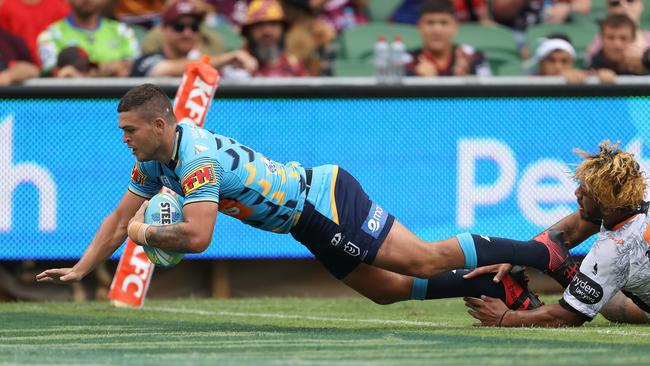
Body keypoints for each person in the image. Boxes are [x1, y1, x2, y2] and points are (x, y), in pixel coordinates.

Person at [36, 84, 577, 307]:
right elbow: (117, 215)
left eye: (129, 130)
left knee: (423, 257)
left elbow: (197, 237)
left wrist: (145, 233)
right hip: (303, 219)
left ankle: (545, 252)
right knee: (387, 291)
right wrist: (84, 268)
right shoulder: (157, 159)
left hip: (321, 199)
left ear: (158, 124)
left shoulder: (194, 159)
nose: (124, 139)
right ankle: (501, 281)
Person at [466, 141, 650, 327]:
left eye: (584, 192)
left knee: (620, 309)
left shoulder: (614, 252)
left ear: (605, 203)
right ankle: (569, 273)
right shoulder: (634, 190)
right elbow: (574, 227)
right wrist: (518, 257)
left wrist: (505, 318)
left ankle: (569, 274)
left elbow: (567, 315)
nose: (576, 193)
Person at [130, 0, 257, 77]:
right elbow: (171, 69)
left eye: (194, 27)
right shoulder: (146, 60)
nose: (187, 33)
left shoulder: (206, 60)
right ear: (164, 30)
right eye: (179, 27)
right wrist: (228, 57)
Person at [37, 0, 139, 77]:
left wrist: (84, 75)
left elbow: (133, 69)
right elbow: (54, 74)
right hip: (72, 102)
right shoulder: (50, 35)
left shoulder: (122, 31)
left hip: (119, 101)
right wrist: (105, 71)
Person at [406, 0, 491, 77]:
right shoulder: (406, 62)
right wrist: (416, 79)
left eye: (444, 23)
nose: (437, 30)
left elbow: (489, 92)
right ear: (419, 27)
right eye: (430, 23)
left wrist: (466, 81)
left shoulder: (472, 57)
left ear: (455, 27)